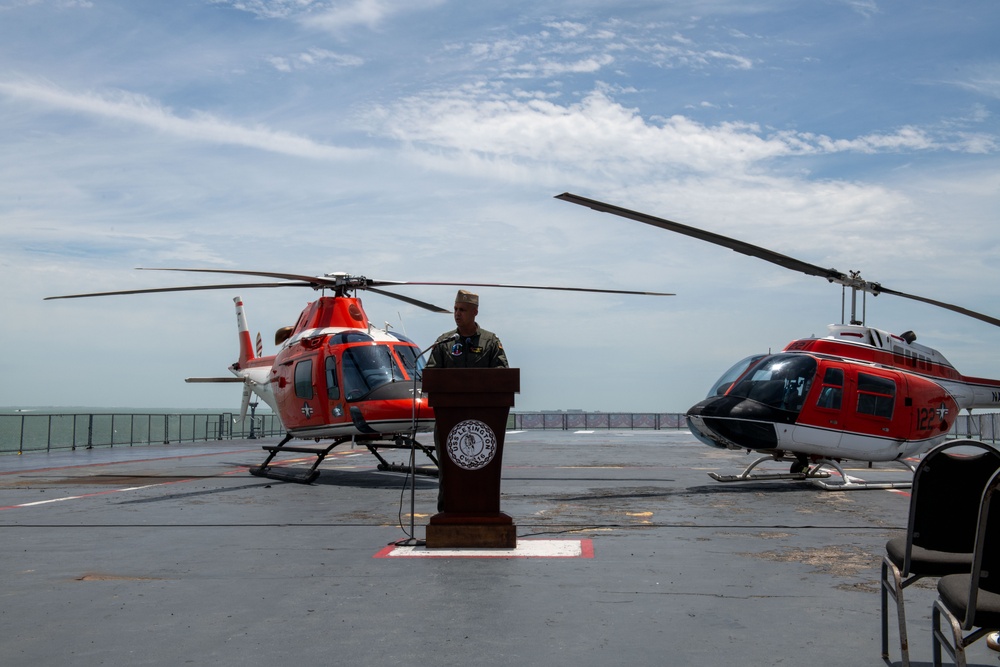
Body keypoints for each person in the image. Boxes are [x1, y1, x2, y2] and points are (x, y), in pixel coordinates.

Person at [425, 290, 508, 369]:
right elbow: (430, 374)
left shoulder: (490, 341)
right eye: (455, 309)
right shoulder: (444, 342)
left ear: (475, 312)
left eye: (462, 310)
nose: (457, 313)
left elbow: (502, 373)